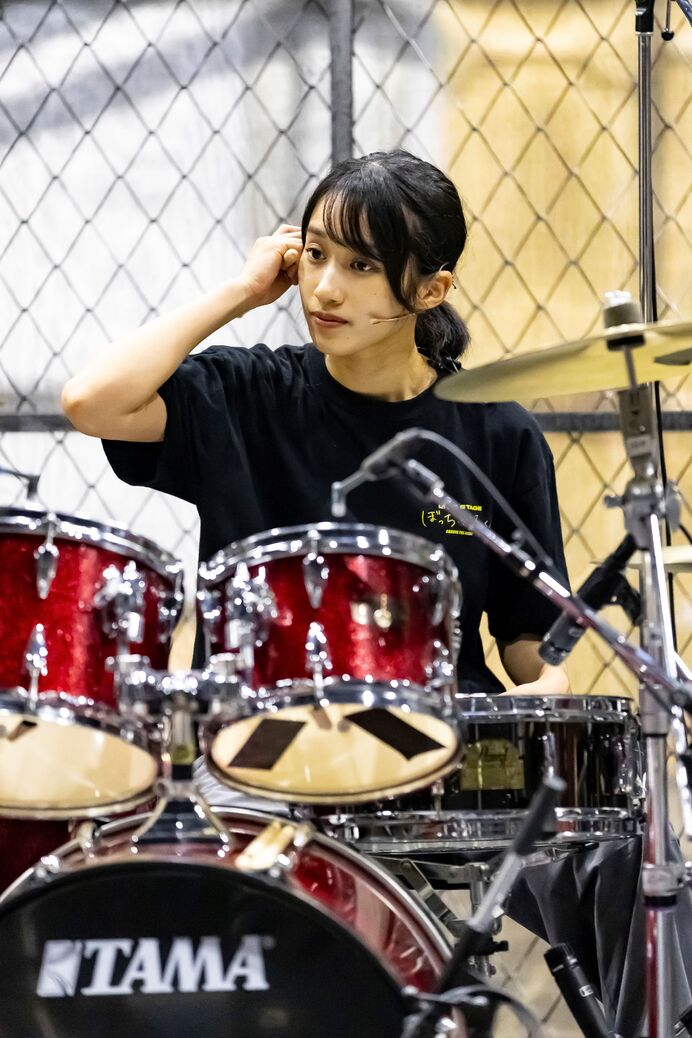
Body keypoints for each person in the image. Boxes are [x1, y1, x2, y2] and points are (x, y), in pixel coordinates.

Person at [61, 149, 692, 1033]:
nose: (325, 288)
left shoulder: (495, 432)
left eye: (361, 266)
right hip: (263, 747)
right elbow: (93, 400)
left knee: (634, 860)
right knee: (184, 882)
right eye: (315, 255)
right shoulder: (249, 392)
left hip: (450, 754)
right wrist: (240, 294)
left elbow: (528, 646)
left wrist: (545, 689)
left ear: (431, 290)